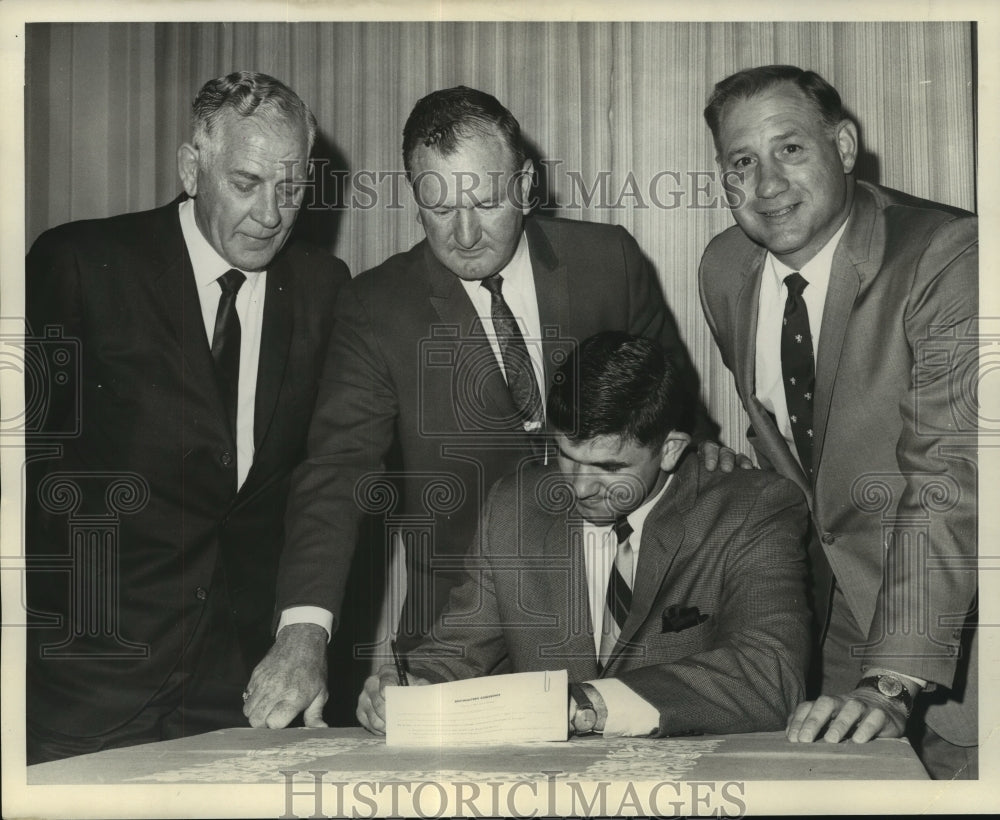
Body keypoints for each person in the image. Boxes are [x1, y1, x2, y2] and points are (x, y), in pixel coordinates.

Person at [244, 85, 740, 730]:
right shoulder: (375, 309)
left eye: (486, 200)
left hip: (623, 625)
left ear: (527, 185)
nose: (466, 233)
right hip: (456, 642)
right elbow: (337, 474)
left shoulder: (606, 262)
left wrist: (708, 455)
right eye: (439, 206)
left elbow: (675, 416)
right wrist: (304, 632)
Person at [24, 71, 349, 763]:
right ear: (191, 168)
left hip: (247, 685)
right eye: (246, 183)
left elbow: (328, 475)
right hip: (88, 679)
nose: (271, 214)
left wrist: (302, 631)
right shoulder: (81, 265)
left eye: (291, 190)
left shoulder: (325, 288)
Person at [698, 65, 977, 778]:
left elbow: (949, 476)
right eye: (742, 162)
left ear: (844, 147)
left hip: (954, 629)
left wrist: (892, 679)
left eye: (789, 149)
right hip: (830, 639)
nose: (766, 185)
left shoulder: (948, 257)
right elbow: (799, 465)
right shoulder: (726, 269)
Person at [356, 331, 810, 737]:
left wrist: (586, 703)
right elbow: (455, 655)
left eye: (610, 467)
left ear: (670, 450)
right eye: (566, 455)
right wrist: (405, 689)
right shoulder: (514, 509)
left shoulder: (752, 509)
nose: (579, 486)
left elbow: (769, 675)